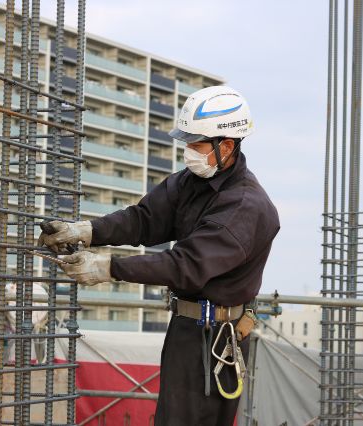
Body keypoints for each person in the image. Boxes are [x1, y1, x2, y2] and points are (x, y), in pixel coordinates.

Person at [38, 86, 280, 426]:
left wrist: (108, 267)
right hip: (188, 329)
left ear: (226, 146)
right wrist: (86, 231)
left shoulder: (243, 207)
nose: (189, 152)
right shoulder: (191, 182)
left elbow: (186, 266)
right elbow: (144, 219)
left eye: (197, 144)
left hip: (214, 337)